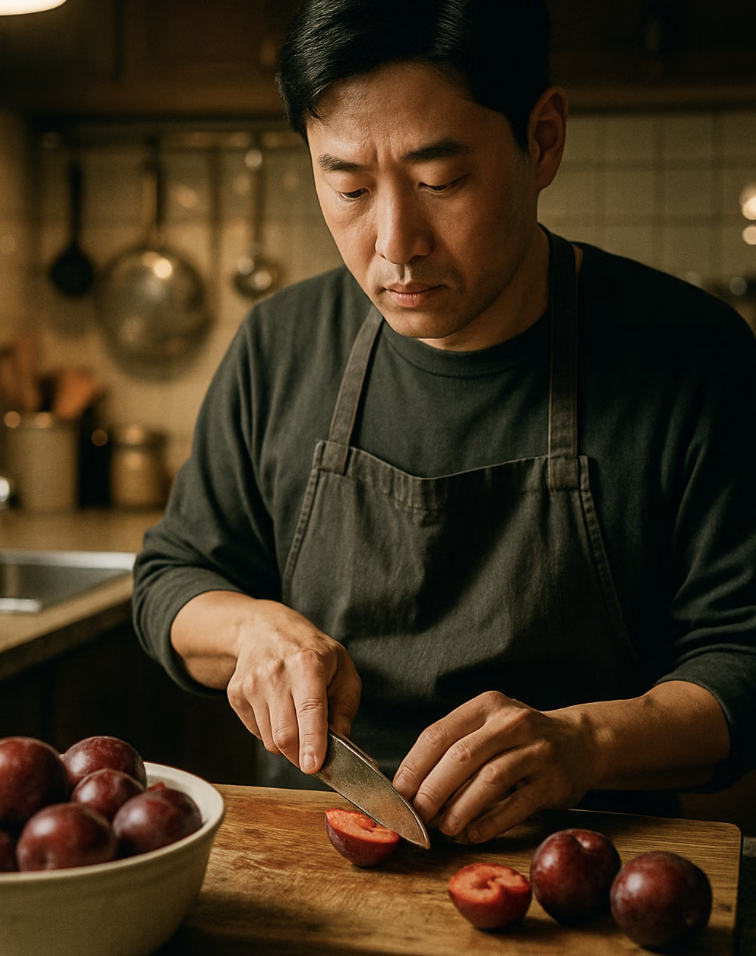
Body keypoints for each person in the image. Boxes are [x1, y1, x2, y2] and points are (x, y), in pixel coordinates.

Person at [133, 0, 756, 842]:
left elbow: (742, 660)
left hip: (587, 866)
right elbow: (172, 576)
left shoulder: (692, 353)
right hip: (314, 852)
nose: (396, 242)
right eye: (349, 188)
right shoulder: (279, 345)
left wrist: (586, 743)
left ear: (543, 140)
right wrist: (250, 629)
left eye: (440, 182)